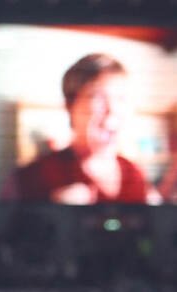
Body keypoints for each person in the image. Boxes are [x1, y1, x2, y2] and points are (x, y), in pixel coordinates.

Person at [10, 54, 151, 205]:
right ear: (70, 106)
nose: (113, 110)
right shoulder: (31, 179)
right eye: (98, 97)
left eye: (121, 98)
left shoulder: (135, 175)